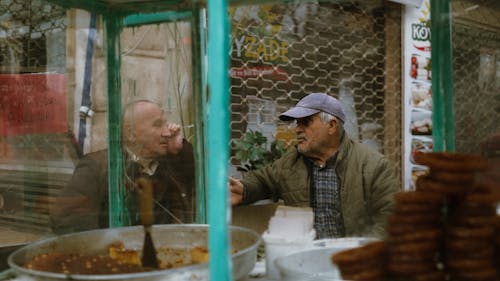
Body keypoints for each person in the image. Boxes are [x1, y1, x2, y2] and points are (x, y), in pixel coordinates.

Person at [230, 93, 400, 239]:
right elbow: (263, 180)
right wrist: (244, 190)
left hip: (353, 262)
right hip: (308, 260)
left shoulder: (373, 166)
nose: (297, 129)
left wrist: (359, 254)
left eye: (306, 122)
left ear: (331, 126)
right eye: (297, 123)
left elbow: (390, 219)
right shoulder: (290, 162)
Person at [50, 100, 195, 234]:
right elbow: (67, 219)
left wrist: (180, 149)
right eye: (157, 125)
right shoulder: (97, 167)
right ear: (131, 134)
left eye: (166, 124)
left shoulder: (171, 162)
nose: (167, 132)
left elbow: (200, 184)